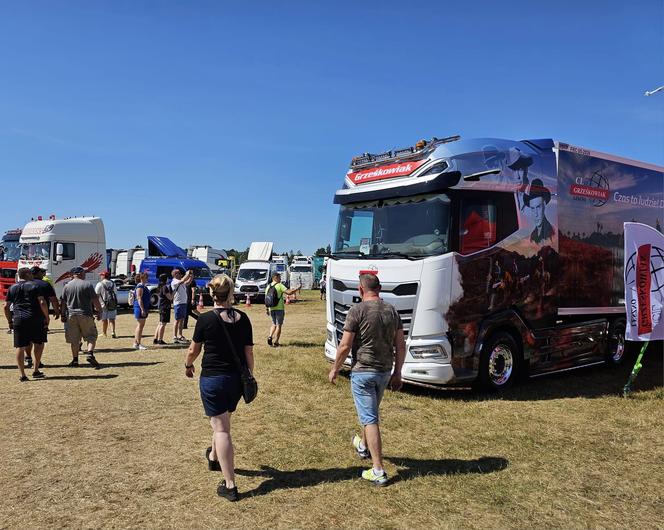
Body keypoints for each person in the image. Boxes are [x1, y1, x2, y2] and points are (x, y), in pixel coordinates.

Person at [329, 273, 406, 486]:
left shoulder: (357, 310)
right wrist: (398, 372)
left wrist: (335, 368)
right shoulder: (392, 311)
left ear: (360, 290)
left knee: (370, 419)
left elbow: (345, 345)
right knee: (369, 412)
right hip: (384, 372)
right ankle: (363, 445)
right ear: (379, 288)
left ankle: (378, 469)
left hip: (363, 372)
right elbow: (400, 345)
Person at [185, 274, 254, 502]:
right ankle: (214, 456)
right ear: (231, 293)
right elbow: (248, 353)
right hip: (235, 380)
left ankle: (230, 484)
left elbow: (193, 350)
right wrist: (250, 375)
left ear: (212, 294)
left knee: (222, 429)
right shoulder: (243, 318)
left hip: (213, 379)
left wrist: (188, 365)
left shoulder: (205, 320)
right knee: (222, 422)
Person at [3, 268, 50, 381]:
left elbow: (6, 306)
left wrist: (10, 321)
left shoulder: (12, 287)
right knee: (38, 343)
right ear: (28, 274)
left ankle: (22, 374)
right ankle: (35, 370)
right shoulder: (35, 286)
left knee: (20, 347)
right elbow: (42, 302)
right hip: (35, 318)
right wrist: (47, 317)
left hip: (19, 318)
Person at [61, 266, 102, 368]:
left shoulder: (66, 286)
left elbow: (63, 302)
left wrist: (62, 314)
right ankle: (90, 353)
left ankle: (75, 360)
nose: (85, 274)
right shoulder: (87, 285)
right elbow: (95, 300)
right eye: (84, 273)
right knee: (91, 336)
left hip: (71, 315)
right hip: (85, 314)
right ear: (79, 273)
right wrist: (99, 311)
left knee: (74, 339)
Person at [24, 266, 60, 369]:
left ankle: (28, 357)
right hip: (40, 315)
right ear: (38, 273)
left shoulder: (23, 284)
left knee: (28, 339)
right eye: (41, 272)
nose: (43, 274)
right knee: (39, 341)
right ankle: (37, 363)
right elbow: (53, 299)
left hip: (25, 314)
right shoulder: (45, 284)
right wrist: (57, 311)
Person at [264, 273, 299, 347]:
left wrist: (267, 309)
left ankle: (270, 336)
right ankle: (276, 342)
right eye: (279, 278)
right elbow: (289, 292)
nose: (280, 279)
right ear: (275, 278)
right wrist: (296, 289)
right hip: (279, 308)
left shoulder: (268, 287)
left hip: (271, 308)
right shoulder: (279, 285)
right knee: (279, 325)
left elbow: (266, 299)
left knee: (273, 324)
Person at [525, 178, 555, 244]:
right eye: (532, 208)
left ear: (544, 204)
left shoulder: (552, 232)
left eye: (538, 207)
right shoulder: (533, 235)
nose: (536, 214)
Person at [171, 269, 194, 343]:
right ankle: (175, 336)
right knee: (177, 320)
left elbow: (187, 283)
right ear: (174, 274)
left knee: (182, 320)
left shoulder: (180, 281)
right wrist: (187, 274)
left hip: (183, 302)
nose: (180, 274)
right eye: (178, 273)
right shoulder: (174, 281)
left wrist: (191, 276)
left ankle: (180, 335)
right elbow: (183, 280)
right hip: (178, 302)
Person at [95, 271, 118, 338]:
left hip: (103, 304)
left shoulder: (100, 284)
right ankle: (113, 332)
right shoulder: (113, 283)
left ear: (104, 276)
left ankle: (104, 333)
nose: (100, 276)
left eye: (101, 275)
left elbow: (96, 295)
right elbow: (116, 293)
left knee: (104, 320)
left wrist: (96, 305)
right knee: (112, 319)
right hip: (112, 303)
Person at [133, 271, 151, 350]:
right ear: (142, 278)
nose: (147, 279)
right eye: (146, 277)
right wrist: (142, 309)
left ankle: (136, 342)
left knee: (141, 325)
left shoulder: (143, 286)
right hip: (140, 308)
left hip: (143, 307)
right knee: (140, 326)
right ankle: (137, 343)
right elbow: (139, 298)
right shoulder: (140, 286)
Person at [153, 273, 172, 345]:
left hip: (161, 306)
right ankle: (160, 340)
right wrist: (173, 293)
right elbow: (169, 297)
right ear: (165, 279)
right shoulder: (165, 287)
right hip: (165, 307)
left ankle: (156, 338)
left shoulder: (159, 286)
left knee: (160, 323)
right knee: (163, 324)